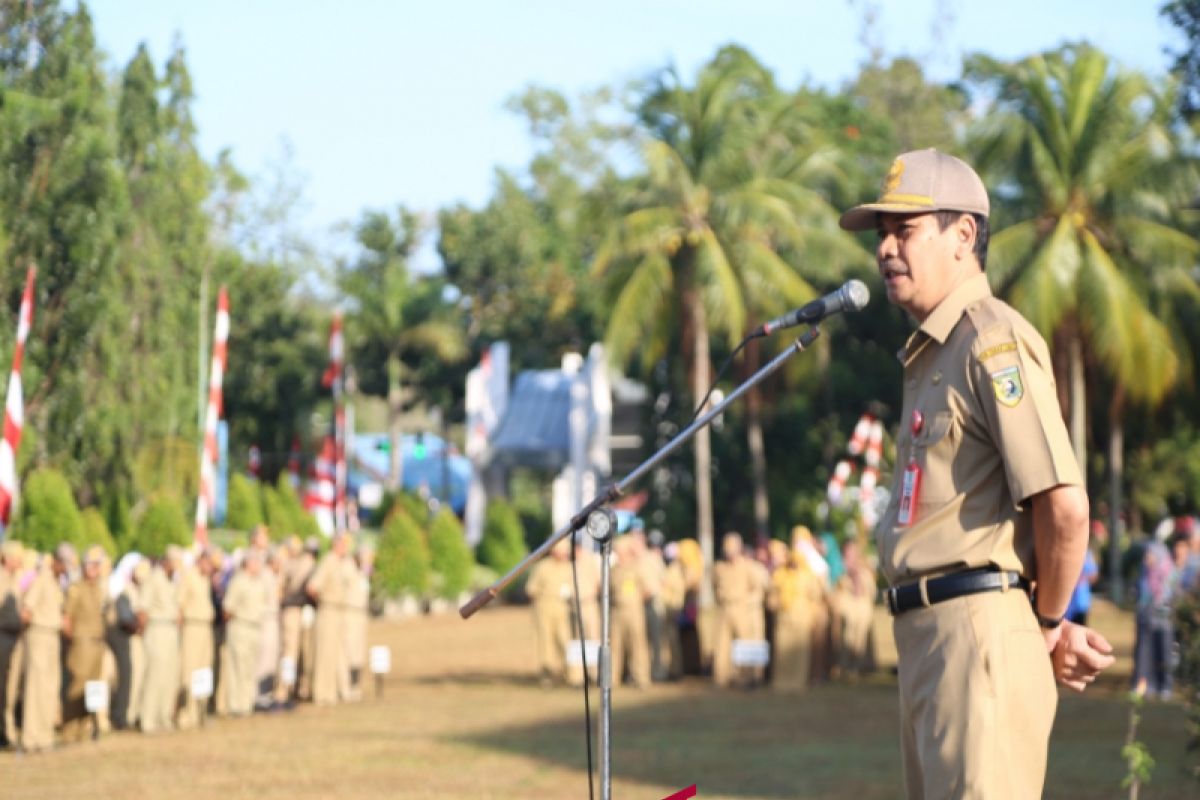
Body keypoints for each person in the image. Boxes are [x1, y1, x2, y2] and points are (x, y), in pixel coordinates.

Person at [839, 147, 1115, 797]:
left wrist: (1044, 628)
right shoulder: (936, 351)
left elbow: (1065, 507)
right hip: (930, 639)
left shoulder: (992, 340)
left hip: (976, 633)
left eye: (904, 230)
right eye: (882, 235)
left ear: (963, 235)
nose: (885, 250)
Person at [20, 545, 69, 751]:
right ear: (56, 562)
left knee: (50, 686)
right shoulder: (42, 578)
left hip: (53, 636)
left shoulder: (59, 583)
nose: (66, 569)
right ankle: (31, 738)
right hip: (39, 634)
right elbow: (27, 610)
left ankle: (45, 735)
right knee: (35, 687)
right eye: (65, 564)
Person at [61, 545, 109, 742]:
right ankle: (69, 730)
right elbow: (66, 619)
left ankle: (84, 727)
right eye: (91, 565)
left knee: (92, 687)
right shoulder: (76, 588)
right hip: (81, 643)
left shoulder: (99, 589)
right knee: (77, 686)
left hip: (97, 644)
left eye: (97, 566)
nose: (94, 570)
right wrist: (73, 641)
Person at [711, 532, 769, 688]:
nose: (729, 551)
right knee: (722, 644)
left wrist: (749, 603)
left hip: (741, 609)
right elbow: (715, 586)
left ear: (739, 547)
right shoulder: (719, 568)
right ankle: (722, 678)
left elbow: (757, 588)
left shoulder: (748, 567)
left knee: (745, 644)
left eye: (732, 547)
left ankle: (747, 677)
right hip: (724, 609)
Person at [307, 532, 355, 704]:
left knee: (336, 653)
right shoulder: (328, 561)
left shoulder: (343, 563)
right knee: (324, 653)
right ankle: (321, 693)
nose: (346, 547)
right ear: (337, 544)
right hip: (327, 609)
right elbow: (313, 586)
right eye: (344, 544)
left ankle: (332, 691)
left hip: (339, 611)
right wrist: (323, 600)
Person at [139, 547, 182, 734]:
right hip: (156, 629)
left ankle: (164, 717)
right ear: (167, 561)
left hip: (170, 630)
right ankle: (148, 719)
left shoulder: (170, 580)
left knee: (169, 676)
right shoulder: (154, 577)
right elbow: (142, 609)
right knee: (154, 675)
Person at [222, 550, 268, 716]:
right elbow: (228, 608)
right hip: (240, 626)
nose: (258, 566)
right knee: (238, 667)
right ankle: (236, 705)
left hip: (255, 627)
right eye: (256, 562)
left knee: (250, 667)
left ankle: (247, 703)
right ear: (248, 563)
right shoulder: (238, 581)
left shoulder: (258, 582)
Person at [524, 538, 574, 687]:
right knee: (546, 642)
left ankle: (571, 674)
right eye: (561, 551)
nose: (564, 554)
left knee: (565, 641)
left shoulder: (569, 567)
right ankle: (547, 674)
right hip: (544, 607)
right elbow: (531, 589)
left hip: (563, 608)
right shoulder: (542, 567)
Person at [177, 548, 216, 728]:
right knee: (189, 670)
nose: (211, 567)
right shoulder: (189, 576)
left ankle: (201, 712)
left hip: (205, 627)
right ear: (201, 560)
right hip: (192, 626)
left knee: (203, 670)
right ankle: (186, 713)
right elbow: (180, 604)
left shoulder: (206, 579)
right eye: (208, 562)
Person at [0, 540, 24, 748]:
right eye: (17, 557)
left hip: (13, 638)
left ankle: (6, 732)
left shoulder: (15, 579)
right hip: (2, 637)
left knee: (9, 688)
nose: (20, 562)